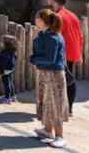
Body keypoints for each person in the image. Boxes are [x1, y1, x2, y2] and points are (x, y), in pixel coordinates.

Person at [31, 8, 70, 149]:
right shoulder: (43, 34)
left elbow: (50, 59)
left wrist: (34, 59)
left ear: (43, 20)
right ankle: (47, 130)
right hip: (44, 73)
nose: (35, 20)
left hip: (54, 74)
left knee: (56, 104)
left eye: (37, 18)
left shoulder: (53, 37)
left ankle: (60, 136)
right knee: (46, 102)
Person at [47, 0, 83, 114]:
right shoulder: (73, 15)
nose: (47, 0)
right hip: (73, 52)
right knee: (69, 79)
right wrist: (80, 53)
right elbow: (80, 35)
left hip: (62, 53)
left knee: (61, 81)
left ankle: (60, 109)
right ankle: (69, 109)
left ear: (53, 0)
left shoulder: (57, 16)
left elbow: (54, 37)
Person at [0, 35, 18, 104]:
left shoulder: (4, 53)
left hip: (5, 70)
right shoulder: (12, 51)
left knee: (6, 83)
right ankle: (13, 96)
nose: (1, 43)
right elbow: (15, 59)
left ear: (5, 44)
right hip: (10, 69)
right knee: (10, 82)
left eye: (2, 42)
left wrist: (0, 73)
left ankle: (7, 98)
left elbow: (1, 64)